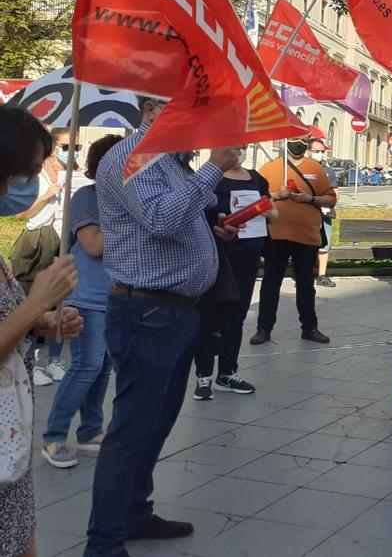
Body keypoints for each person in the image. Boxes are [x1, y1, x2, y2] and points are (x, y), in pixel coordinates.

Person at [86, 97, 243, 555]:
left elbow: (167, 221)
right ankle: (103, 544)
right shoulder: (134, 155)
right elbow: (160, 218)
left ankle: (135, 513)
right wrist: (213, 169)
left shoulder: (171, 163)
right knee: (133, 429)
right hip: (147, 313)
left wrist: (210, 233)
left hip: (177, 311)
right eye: (193, 109)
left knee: (156, 424)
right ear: (155, 111)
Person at [0, 106, 83, 557]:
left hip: (9, 431)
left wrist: (44, 322)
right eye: (27, 172)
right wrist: (36, 301)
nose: (33, 183)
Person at [40, 135, 122, 469]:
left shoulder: (122, 198)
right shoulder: (88, 197)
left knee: (103, 368)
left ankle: (90, 430)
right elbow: (93, 245)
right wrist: (127, 218)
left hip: (114, 296)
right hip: (85, 295)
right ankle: (54, 436)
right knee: (86, 366)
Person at [192, 147, 278, 400]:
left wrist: (262, 210)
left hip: (248, 256)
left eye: (243, 146)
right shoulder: (208, 178)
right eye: (234, 145)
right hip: (217, 255)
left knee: (237, 316)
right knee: (210, 315)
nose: (239, 151)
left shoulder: (256, 179)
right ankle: (203, 375)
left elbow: (274, 214)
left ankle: (228, 372)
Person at [251, 135, 338, 345]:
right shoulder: (270, 168)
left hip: (307, 236)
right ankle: (264, 328)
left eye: (301, 138)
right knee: (271, 283)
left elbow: (331, 199)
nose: (297, 142)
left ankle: (309, 327)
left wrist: (311, 199)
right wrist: (277, 195)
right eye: (293, 138)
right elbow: (255, 200)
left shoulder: (316, 169)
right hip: (276, 235)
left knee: (306, 284)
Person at [12, 127, 70, 386]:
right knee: (29, 295)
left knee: (57, 302)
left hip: (59, 238)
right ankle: (33, 361)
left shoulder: (72, 175)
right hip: (36, 239)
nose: (71, 152)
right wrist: (46, 196)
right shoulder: (36, 180)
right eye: (67, 147)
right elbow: (22, 214)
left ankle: (53, 360)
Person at [310, 139, 339, 288]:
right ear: (308, 152)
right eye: (317, 151)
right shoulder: (304, 170)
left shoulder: (328, 171)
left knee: (324, 245)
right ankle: (305, 273)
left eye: (322, 151)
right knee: (307, 244)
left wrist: (328, 201)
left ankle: (322, 275)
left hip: (325, 214)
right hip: (307, 215)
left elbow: (335, 193)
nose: (320, 154)